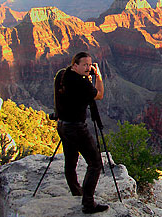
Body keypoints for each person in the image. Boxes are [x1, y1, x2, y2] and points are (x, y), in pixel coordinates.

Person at [53, 51, 108, 214]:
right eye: (84, 65)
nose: (88, 68)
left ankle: (76, 192)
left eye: (90, 65)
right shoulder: (81, 83)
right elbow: (99, 95)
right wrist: (98, 77)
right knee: (95, 162)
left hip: (62, 125)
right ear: (75, 65)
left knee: (70, 160)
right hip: (76, 127)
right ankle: (88, 203)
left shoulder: (62, 75)